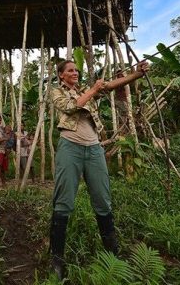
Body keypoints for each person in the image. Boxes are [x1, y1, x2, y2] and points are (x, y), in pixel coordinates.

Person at [49, 59, 149, 280]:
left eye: (76, 69)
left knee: (103, 200)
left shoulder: (86, 89)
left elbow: (111, 85)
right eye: (70, 70)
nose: (75, 72)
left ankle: (112, 255)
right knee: (63, 201)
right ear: (61, 75)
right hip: (70, 147)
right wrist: (94, 89)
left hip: (94, 149)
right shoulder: (56, 91)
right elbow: (70, 107)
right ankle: (56, 259)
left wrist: (136, 75)